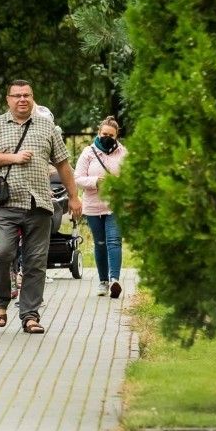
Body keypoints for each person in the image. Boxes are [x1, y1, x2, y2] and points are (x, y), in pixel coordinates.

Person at [0, 80, 82, 334]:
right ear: (8, 99)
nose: (22, 99)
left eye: (27, 95)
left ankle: (30, 315)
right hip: (6, 203)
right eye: (17, 96)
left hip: (40, 203)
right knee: (0, 252)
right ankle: (1, 301)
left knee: (36, 262)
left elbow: (63, 164)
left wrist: (74, 196)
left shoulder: (47, 127)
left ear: (33, 98)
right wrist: (13, 157)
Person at [74, 115, 128, 298]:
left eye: (111, 135)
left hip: (114, 205)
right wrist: (95, 181)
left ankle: (115, 280)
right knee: (100, 243)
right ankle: (103, 281)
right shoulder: (88, 153)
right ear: (98, 133)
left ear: (116, 136)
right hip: (93, 206)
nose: (107, 137)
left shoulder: (122, 153)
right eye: (104, 133)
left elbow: (129, 177)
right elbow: (77, 178)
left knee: (114, 241)